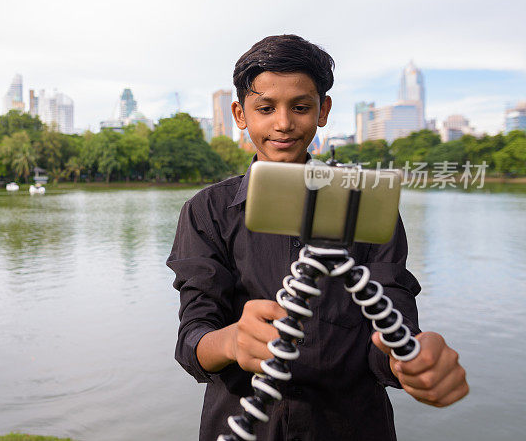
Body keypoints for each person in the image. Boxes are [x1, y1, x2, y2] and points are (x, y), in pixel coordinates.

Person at [167, 35, 468, 441]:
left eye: (301, 107)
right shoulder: (206, 212)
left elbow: (390, 316)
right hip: (244, 425)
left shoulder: (367, 204)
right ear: (240, 114)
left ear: (323, 110)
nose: (284, 123)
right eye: (265, 108)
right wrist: (232, 341)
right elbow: (193, 339)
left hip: (352, 426)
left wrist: (409, 359)